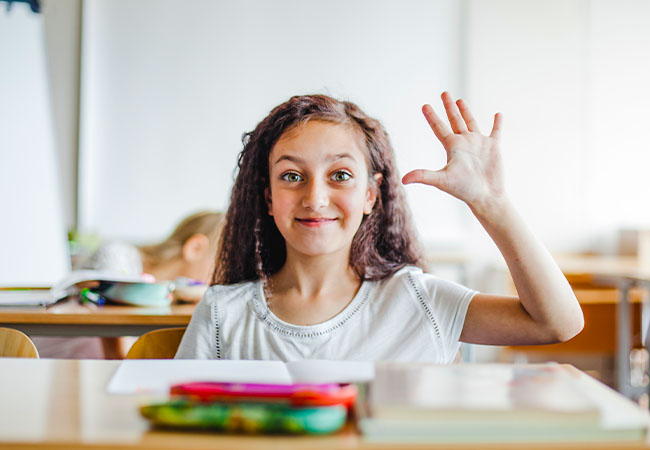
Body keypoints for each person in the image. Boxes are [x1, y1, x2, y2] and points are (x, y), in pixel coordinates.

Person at [175, 93, 584, 362]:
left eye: (339, 176)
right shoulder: (221, 314)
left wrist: (491, 203)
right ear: (267, 198)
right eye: (292, 176)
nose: (315, 198)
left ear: (371, 195)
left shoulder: (418, 300)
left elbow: (556, 323)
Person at [34, 210, 224, 359]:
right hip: (49, 364)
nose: (223, 278)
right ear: (195, 248)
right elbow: (116, 356)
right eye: (222, 264)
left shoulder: (169, 296)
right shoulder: (118, 259)